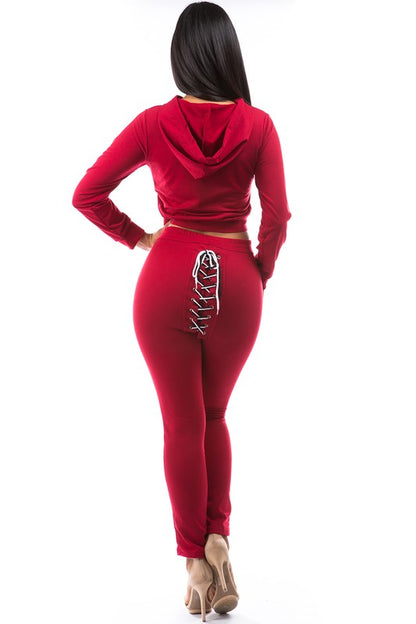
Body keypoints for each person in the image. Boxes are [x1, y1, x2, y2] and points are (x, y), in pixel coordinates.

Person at [72, 1, 291, 620]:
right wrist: (259, 271)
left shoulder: (152, 124)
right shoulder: (259, 125)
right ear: (228, 54)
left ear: (181, 57)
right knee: (215, 414)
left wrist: (141, 238)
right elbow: (277, 216)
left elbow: (87, 193)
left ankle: (194, 563)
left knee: (181, 423)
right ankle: (218, 538)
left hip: (167, 276)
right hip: (236, 280)